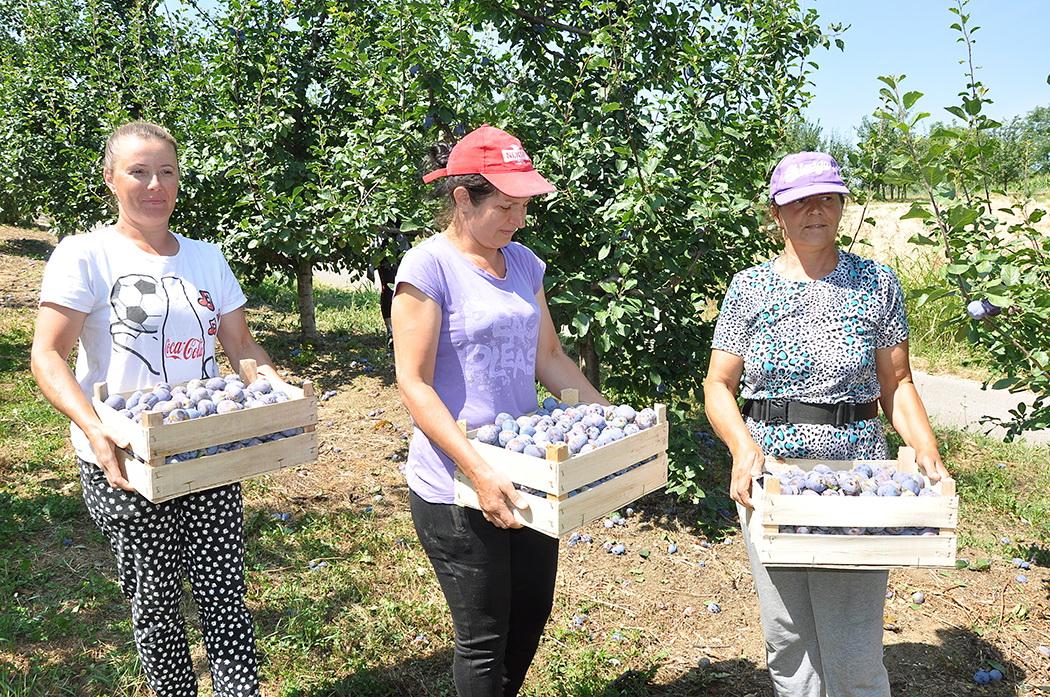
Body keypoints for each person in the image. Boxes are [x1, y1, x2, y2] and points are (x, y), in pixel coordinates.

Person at [31, 121, 281, 696]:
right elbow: (48, 354)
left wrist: (272, 391)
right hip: (125, 457)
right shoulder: (85, 255)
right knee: (156, 601)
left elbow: (240, 346)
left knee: (224, 592)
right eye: (138, 171)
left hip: (202, 449)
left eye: (166, 172)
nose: (154, 185)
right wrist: (94, 431)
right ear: (110, 179)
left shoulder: (206, 259)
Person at [703, 151, 950, 697]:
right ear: (776, 212)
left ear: (841, 205)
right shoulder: (750, 288)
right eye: (799, 201)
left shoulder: (876, 283)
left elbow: (898, 383)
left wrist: (925, 446)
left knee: (853, 641)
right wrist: (743, 449)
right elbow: (718, 385)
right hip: (772, 476)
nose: (815, 210)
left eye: (827, 198)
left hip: (856, 479)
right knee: (787, 635)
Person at [391, 124, 607, 697]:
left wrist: (608, 423)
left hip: (527, 470)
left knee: (530, 615)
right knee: (483, 638)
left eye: (524, 207)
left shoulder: (524, 262)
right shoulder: (427, 268)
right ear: (463, 198)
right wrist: (479, 470)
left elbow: (552, 357)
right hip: (459, 482)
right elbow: (412, 384)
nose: (518, 220)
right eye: (506, 207)